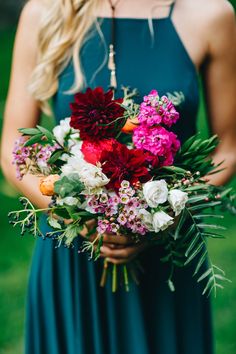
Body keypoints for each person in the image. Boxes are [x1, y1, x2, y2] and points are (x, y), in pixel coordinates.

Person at [1, 0, 236, 353]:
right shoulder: (46, 10)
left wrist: (157, 216)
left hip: (167, 257)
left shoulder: (209, 13)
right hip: (72, 256)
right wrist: (72, 210)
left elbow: (227, 149)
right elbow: (12, 147)